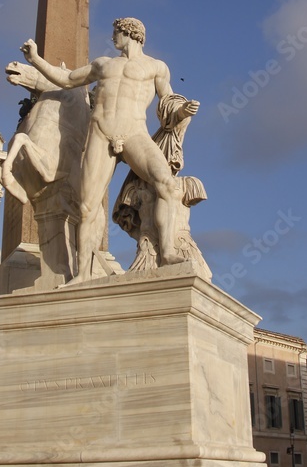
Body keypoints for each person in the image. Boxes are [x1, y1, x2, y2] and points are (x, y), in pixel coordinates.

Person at [20, 18, 199, 283]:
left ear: (129, 33)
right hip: (101, 131)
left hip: (134, 132)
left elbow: (167, 102)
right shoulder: (103, 64)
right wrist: (35, 59)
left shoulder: (156, 67)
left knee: (166, 183)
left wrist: (182, 111)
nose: (113, 38)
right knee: (86, 205)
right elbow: (68, 79)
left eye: (116, 33)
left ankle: (168, 253)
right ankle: (82, 274)